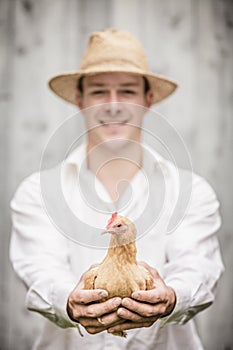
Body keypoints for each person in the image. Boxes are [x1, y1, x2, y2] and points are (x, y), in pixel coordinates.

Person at [10, 29, 224, 350]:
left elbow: (198, 265)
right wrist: (70, 300)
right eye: (98, 92)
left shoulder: (192, 191)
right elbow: (41, 269)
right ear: (79, 100)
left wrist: (173, 296)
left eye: (127, 91)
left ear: (147, 99)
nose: (113, 106)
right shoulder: (37, 194)